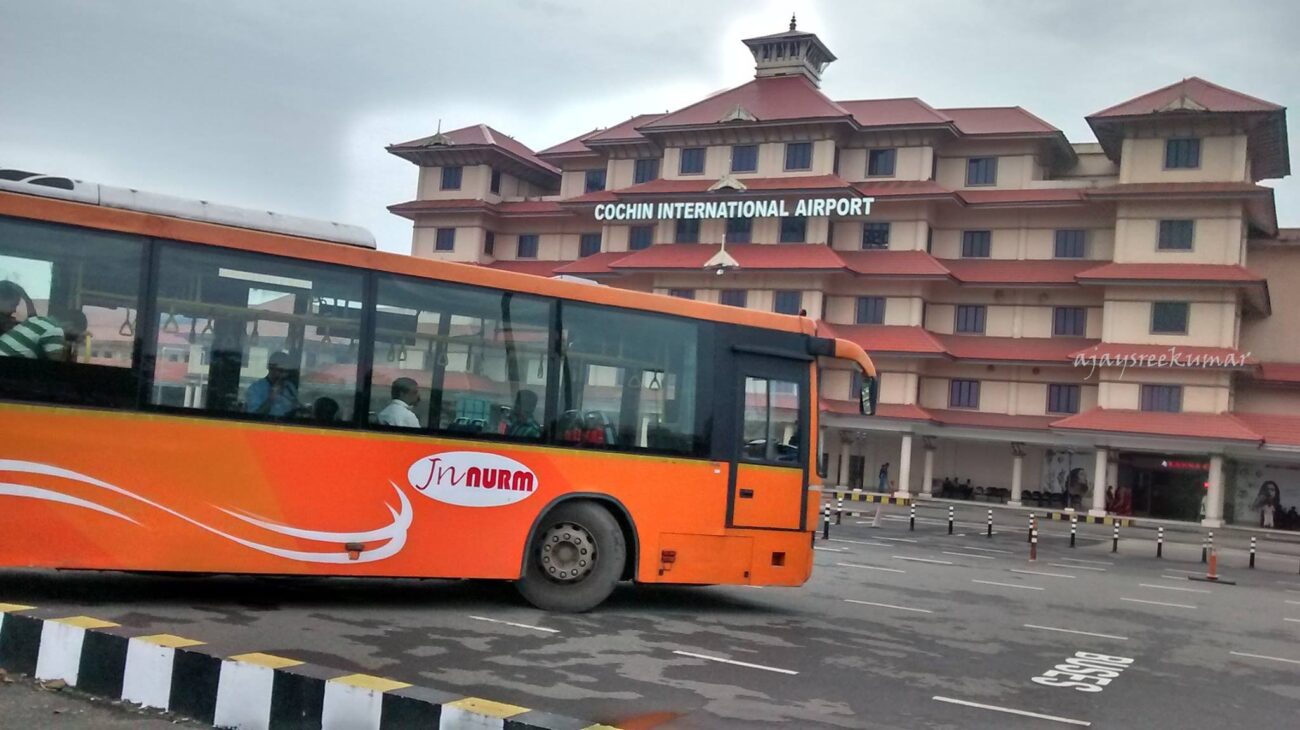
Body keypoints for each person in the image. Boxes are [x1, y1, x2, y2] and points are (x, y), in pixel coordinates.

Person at [0, 309, 87, 360]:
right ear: (70, 325)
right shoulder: (55, 330)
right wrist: (75, 346)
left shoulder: (36, 319)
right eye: (74, 334)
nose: (73, 337)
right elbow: (57, 364)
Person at [245, 351, 300, 417]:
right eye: (280, 370)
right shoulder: (255, 389)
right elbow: (253, 417)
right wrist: (270, 400)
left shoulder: (290, 387)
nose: (284, 375)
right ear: (270, 368)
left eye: (287, 371)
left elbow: (296, 409)